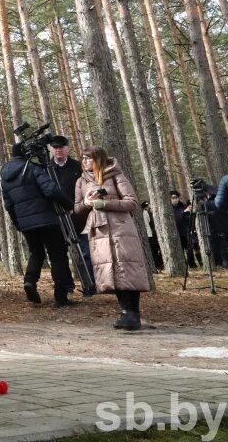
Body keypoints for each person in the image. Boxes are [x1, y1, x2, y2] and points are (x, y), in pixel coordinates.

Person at [74, 147, 150, 330]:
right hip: (99, 231)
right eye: (83, 159)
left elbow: (131, 202)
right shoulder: (81, 181)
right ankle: (125, 312)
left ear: (99, 159)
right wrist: (86, 203)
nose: (85, 162)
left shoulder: (116, 175)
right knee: (111, 271)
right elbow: (76, 209)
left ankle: (132, 313)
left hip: (120, 228)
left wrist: (104, 203)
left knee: (126, 268)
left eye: (88, 158)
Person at [0, 142, 74, 307]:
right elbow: (50, 190)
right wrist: (69, 204)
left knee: (36, 253)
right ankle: (61, 297)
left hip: (26, 223)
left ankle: (30, 282)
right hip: (47, 219)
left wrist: (18, 223)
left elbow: (8, 205)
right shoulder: (32, 168)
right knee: (57, 255)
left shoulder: (5, 176)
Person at [47, 135, 92, 294]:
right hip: (55, 217)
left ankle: (90, 285)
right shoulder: (46, 168)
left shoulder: (77, 166)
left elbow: (88, 186)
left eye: (61, 147)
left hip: (78, 215)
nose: (58, 150)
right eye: (55, 147)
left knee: (85, 251)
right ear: (51, 149)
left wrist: (80, 206)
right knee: (59, 254)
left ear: (68, 148)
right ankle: (66, 286)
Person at [139, 201, 164, 270]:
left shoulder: (150, 213)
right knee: (154, 250)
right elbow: (148, 224)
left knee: (157, 249)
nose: (148, 208)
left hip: (153, 233)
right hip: (151, 234)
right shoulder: (145, 213)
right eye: (147, 207)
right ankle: (157, 265)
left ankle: (159, 264)